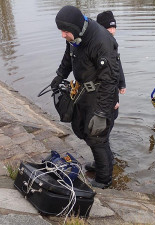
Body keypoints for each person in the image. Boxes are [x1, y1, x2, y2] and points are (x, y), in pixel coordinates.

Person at [50, 5, 120, 188]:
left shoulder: (101, 41)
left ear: (73, 28)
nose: (62, 35)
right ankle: (101, 163)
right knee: (85, 130)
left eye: (65, 31)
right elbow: (69, 56)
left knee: (97, 135)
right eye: (61, 31)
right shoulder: (76, 35)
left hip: (101, 92)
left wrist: (102, 113)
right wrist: (60, 75)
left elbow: (110, 79)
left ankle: (104, 179)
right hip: (84, 91)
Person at [84, 10, 126, 172]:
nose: (112, 35)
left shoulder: (109, 45)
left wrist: (121, 86)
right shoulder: (97, 45)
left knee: (102, 132)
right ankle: (104, 162)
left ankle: (106, 164)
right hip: (101, 95)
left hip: (108, 97)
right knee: (99, 132)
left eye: (113, 31)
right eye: (108, 31)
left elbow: (116, 69)